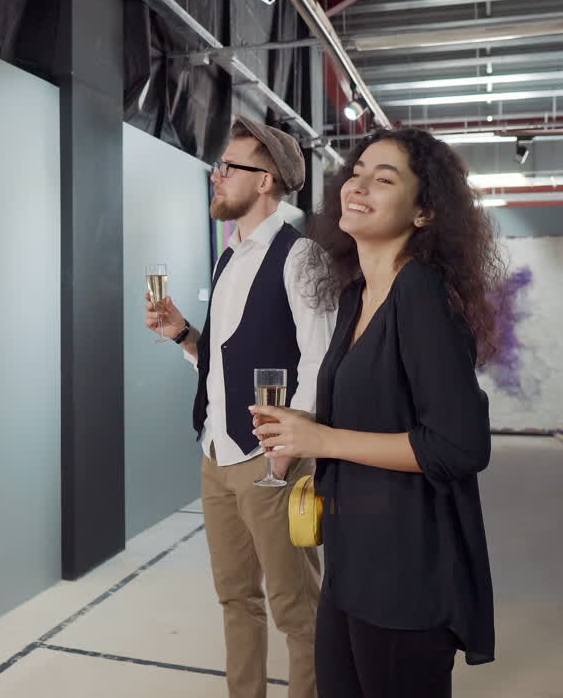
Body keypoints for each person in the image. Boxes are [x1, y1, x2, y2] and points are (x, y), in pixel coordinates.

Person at [249, 128, 503, 697]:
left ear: (425, 212)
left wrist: (325, 441)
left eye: (384, 179)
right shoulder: (357, 294)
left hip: (406, 572)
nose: (358, 185)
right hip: (351, 561)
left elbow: (459, 446)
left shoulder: (422, 295)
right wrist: (301, 436)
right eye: (356, 171)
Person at [145, 116, 335, 698]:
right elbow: (226, 363)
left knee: (297, 610)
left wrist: (282, 459)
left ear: (266, 181)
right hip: (217, 454)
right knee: (236, 599)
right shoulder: (231, 256)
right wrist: (184, 335)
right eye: (218, 165)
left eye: (230, 167)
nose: (216, 176)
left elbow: (320, 367)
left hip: (270, 461)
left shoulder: (302, 256)